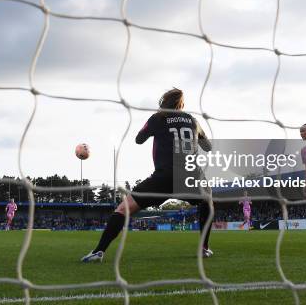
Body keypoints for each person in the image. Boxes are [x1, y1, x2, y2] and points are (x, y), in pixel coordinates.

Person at [81, 88, 213, 263]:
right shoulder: (193, 121)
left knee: (122, 209)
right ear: (182, 104)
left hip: (163, 177)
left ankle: (99, 251)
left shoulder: (158, 118)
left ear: (163, 102)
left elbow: (139, 139)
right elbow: (208, 147)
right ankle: (203, 248)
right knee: (208, 201)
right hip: (191, 177)